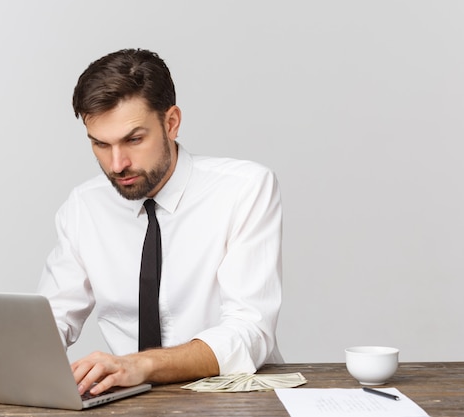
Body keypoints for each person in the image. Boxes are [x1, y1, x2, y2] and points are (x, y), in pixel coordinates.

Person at [38, 48, 283, 396]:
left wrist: (138, 364)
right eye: (100, 144)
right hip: (128, 400)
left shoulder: (244, 189)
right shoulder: (84, 205)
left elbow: (250, 331)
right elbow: (52, 319)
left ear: (171, 123)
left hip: (231, 396)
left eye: (134, 139)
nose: (117, 164)